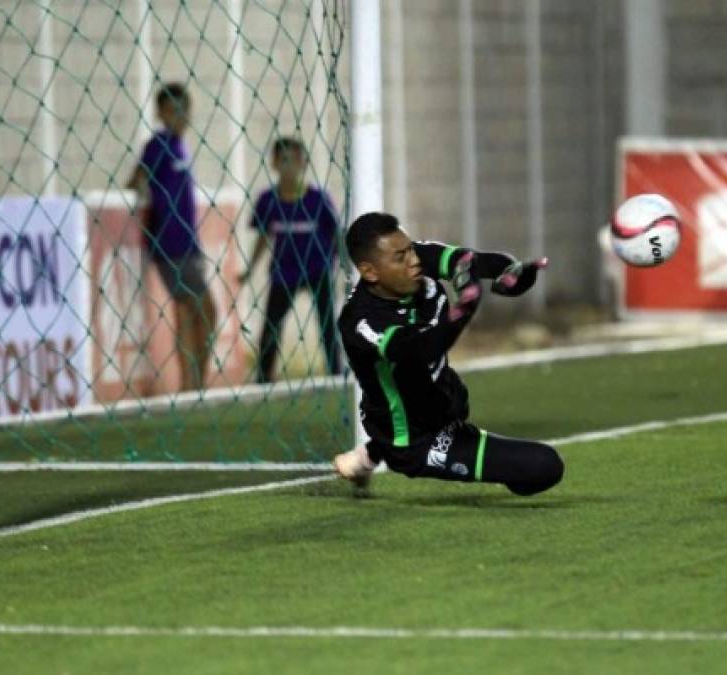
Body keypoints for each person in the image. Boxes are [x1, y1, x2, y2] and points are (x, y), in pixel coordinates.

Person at [331, 212, 562, 497]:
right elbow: (422, 350)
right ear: (370, 272)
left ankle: (369, 453)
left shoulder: (414, 262)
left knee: (454, 397)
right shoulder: (361, 323)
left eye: (412, 249)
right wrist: (464, 309)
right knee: (545, 466)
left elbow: (471, 262)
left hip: (445, 399)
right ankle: (381, 450)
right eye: (400, 257)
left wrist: (513, 271)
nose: (414, 260)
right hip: (413, 440)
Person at [127, 82, 216, 391]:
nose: (181, 115)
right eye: (173, 109)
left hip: (187, 243)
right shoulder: (159, 144)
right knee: (205, 309)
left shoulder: (180, 146)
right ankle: (196, 385)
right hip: (170, 244)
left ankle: (191, 385)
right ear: (161, 113)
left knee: (187, 312)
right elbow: (136, 178)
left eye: (184, 109)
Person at [238, 137, 343, 381]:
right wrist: (250, 270)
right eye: (284, 159)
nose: (290, 166)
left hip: (318, 270)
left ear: (304, 163)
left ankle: (336, 373)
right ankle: (263, 378)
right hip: (285, 273)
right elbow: (264, 236)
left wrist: (347, 267)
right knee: (271, 327)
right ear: (274, 163)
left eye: (296, 160)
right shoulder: (268, 199)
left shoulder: (319, 199)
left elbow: (336, 235)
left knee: (328, 325)